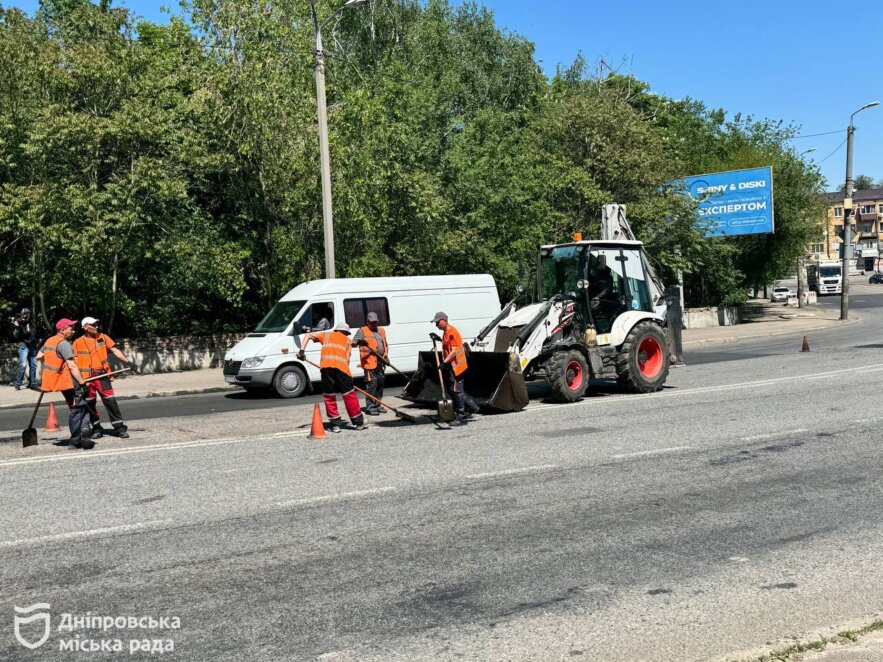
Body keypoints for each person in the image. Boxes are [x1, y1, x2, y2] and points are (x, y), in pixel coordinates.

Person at [298, 322, 366, 433]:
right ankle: (358, 422)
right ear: (346, 332)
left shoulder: (327, 335)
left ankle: (335, 425)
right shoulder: (347, 341)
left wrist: (301, 351)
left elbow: (308, 335)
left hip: (326, 368)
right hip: (342, 369)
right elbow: (347, 359)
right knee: (349, 395)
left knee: (329, 395)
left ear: (337, 330)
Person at [36, 318, 93, 449]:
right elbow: (72, 366)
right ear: (63, 330)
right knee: (77, 408)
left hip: (59, 382)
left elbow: (39, 356)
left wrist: (53, 360)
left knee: (81, 405)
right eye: (70, 328)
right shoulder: (63, 344)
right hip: (69, 381)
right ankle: (75, 440)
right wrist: (82, 383)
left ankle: (85, 431)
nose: (73, 331)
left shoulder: (49, 341)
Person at [72, 317, 132, 439]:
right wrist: (78, 380)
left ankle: (120, 428)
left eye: (97, 324)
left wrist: (128, 362)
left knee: (110, 401)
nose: (96, 327)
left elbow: (115, 350)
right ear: (85, 327)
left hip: (102, 375)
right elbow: (73, 362)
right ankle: (96, 428)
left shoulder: (102, 338)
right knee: (90, 404)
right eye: (93, 325)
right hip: (87, 379)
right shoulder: (77, 342)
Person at [432, 311, 480, 424]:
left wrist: (444, 363)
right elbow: (448, 344)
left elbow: (453, 352)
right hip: (452, 366)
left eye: (438, 323)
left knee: (456, 391)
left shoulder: (452, 332)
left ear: (444, 321)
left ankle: (460, 415)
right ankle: (473, 407)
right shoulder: (446, 332)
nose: (436, 325)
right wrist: (438, 339)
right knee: (454, 390)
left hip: (457, 367)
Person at [352, 312, 388, 415]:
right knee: (372, 385)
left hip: (381, 362)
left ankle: (378, 405)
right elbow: (353, 343)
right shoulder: (362, 330)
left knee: (380, 384)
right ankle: (370, 407)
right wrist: (359, 342)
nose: (374, 324)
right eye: (372, 322)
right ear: (367, 321)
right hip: (369, 363)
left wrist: (386, 356)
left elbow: (385, 344)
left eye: (375, 322)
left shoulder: (381, 330)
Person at [11, 308, 39, 390]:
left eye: (28, 313)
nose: (27, 315)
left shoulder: (31, 323)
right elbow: (15, 335)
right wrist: (17, 327)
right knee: (23, 365)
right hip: (24, 346)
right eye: (25, 314)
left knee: (33, 365)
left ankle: (32, 383)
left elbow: (33, 334)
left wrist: (35, 342)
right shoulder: (19, 323)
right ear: (22, 314)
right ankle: (18, 384)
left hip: (32, 346)